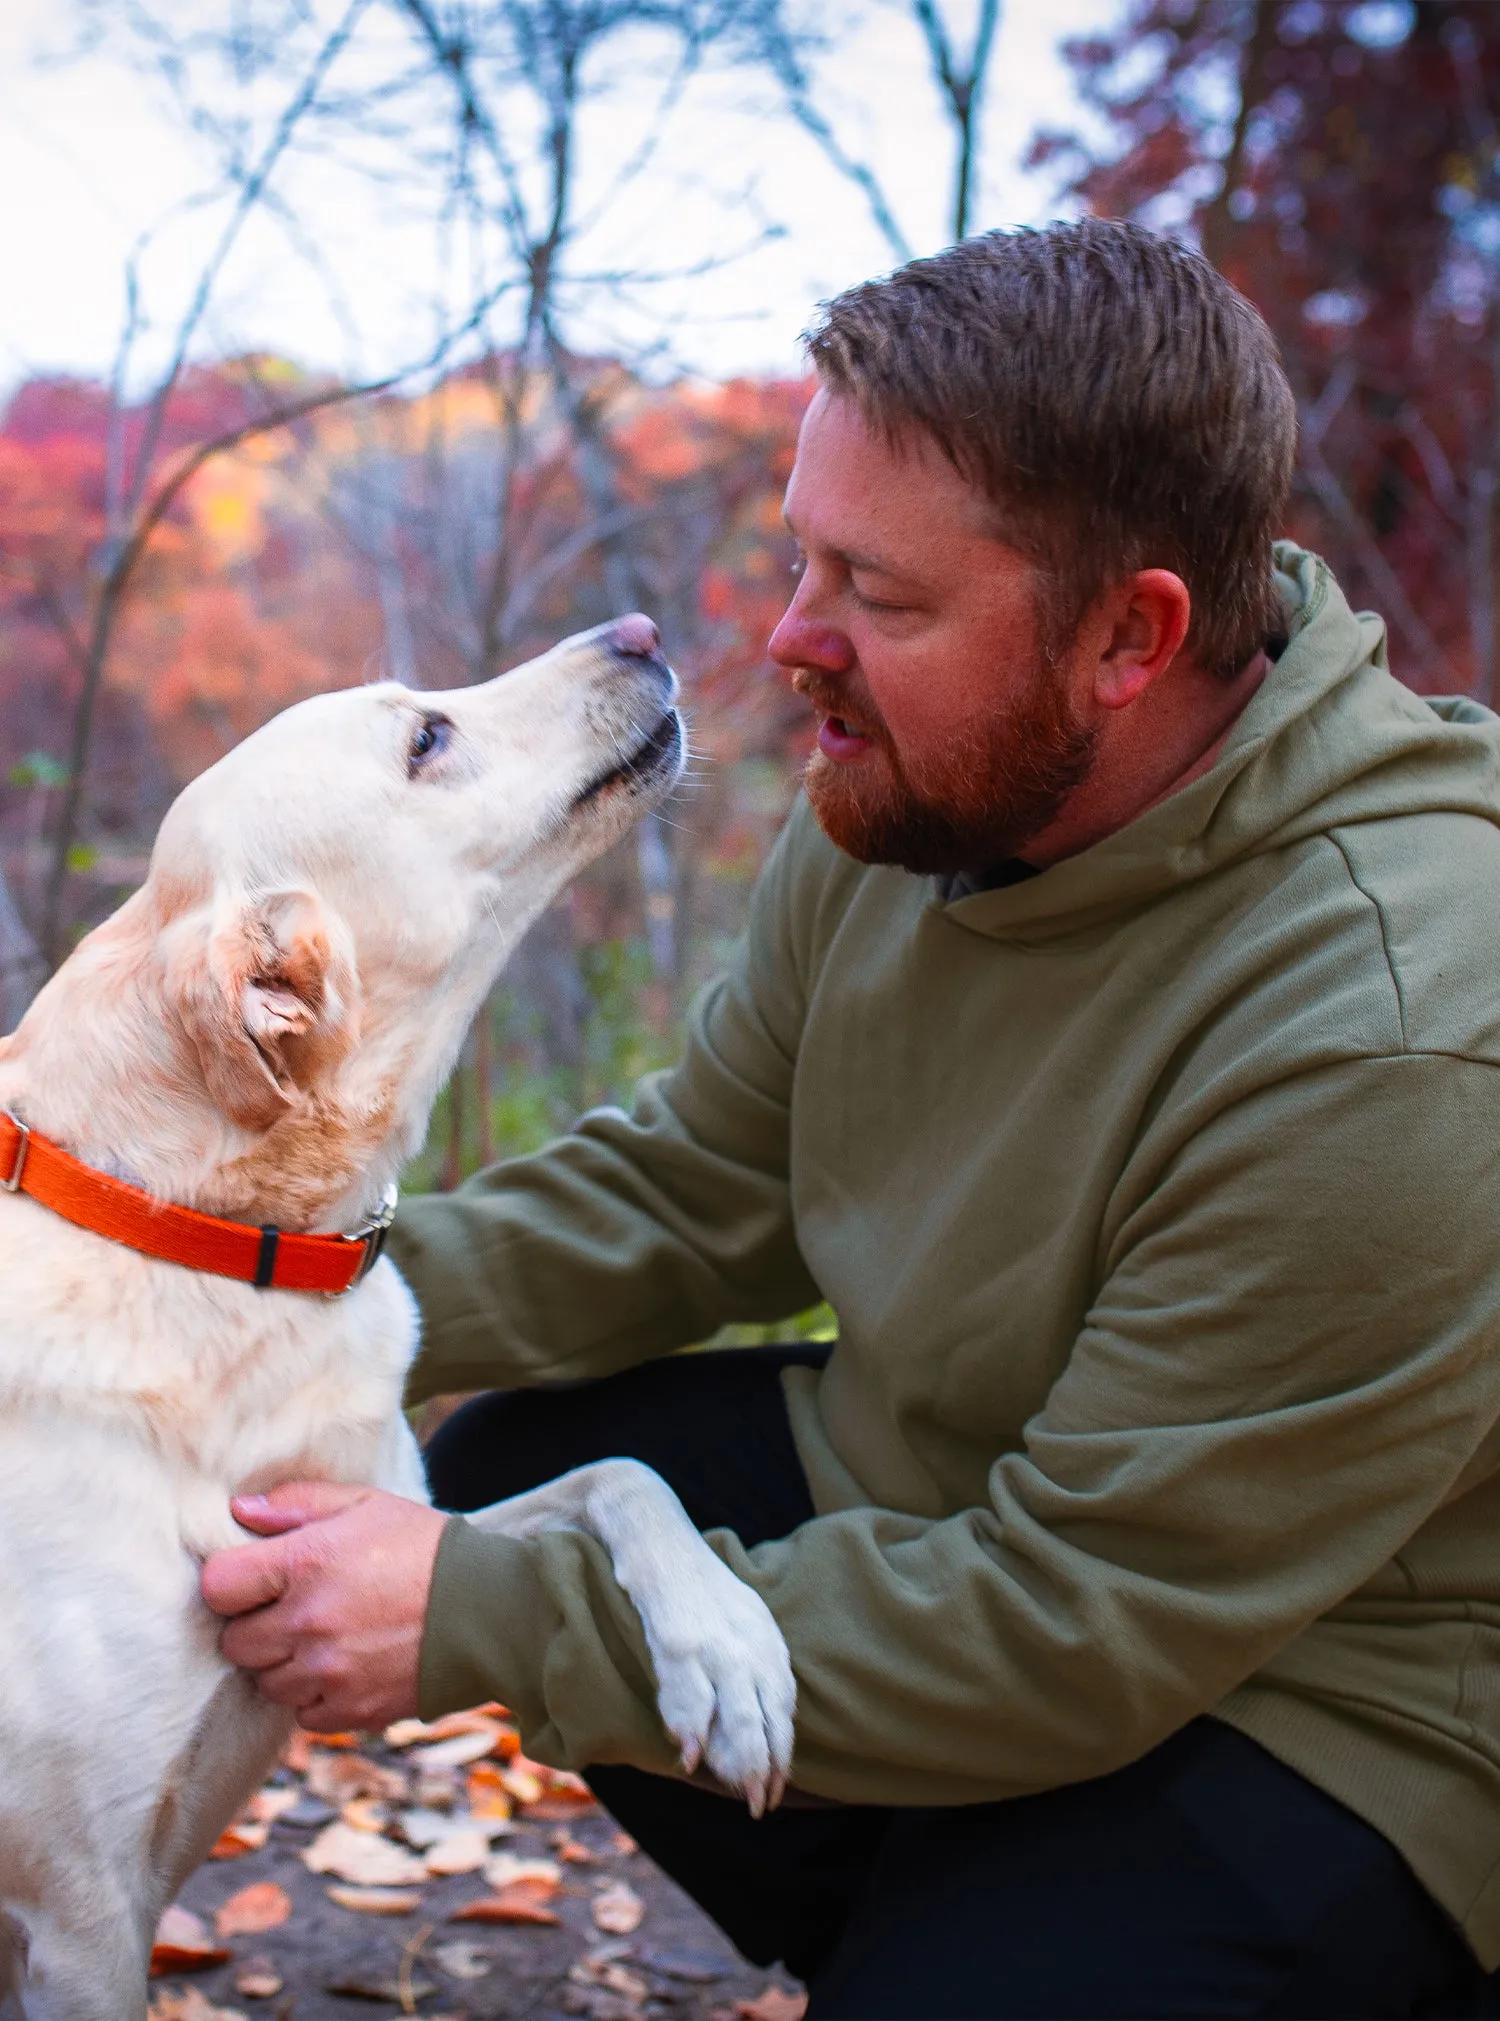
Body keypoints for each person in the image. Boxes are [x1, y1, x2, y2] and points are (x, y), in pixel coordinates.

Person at [202, 220, 1500, 2018]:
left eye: (876, 597)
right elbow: (694, 1189)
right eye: (803, 556)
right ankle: (943, 1913)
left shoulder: (1394, 1030)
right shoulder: (915, 786)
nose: (788, 641)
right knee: (508, 1473)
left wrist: (480, 1617)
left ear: (1131, 637)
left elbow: (1082, 1617)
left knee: (523, 1583)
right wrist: (211, 1270)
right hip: (973, 1500)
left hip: (1317, 1694)